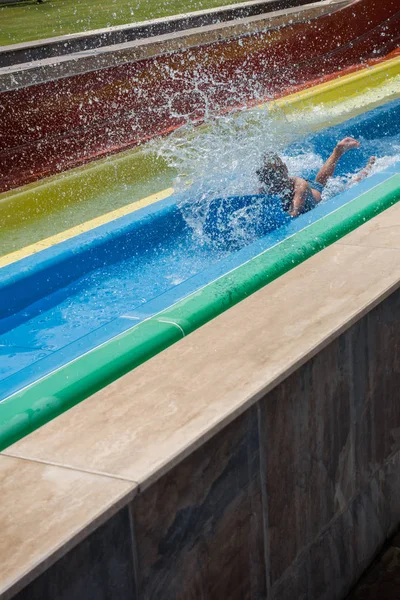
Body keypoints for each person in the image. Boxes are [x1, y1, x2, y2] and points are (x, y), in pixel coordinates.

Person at [256, 137, 376, 218]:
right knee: (320, 181)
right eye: (268, 178)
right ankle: (337, 152)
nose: (273, 181)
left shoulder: (299, 187)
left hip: (322, 197)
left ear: (286, 170)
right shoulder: (265, 189)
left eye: (273, 177)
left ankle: (368, 167)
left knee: (349, 185)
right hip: (312, 189)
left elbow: (294, 214)